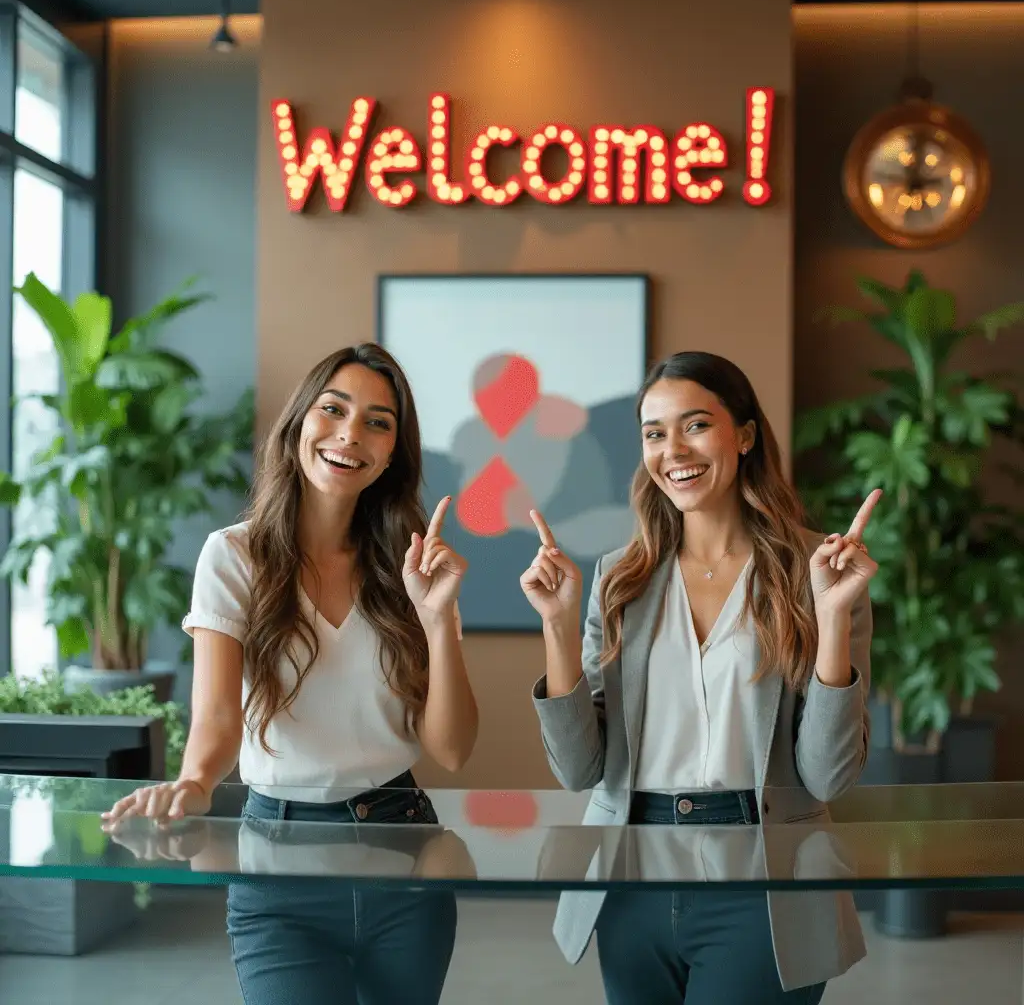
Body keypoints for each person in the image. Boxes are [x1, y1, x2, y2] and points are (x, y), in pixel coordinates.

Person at [102, 342, 478, 1005]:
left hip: (405, 848)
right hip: (276, 861)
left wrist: (439, 619)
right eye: (332, 410)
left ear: (392, 453)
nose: (350, 434)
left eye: (377, 422)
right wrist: (192, 781)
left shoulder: (408, 567)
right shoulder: (233, 556)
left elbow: (450, 748)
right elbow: (218, 717)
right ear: (299, 423)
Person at [521, 350, 878, 1004]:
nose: (673, 450)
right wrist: (557, 625)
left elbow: (827, 776)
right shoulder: (619, 577)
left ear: (743, 435)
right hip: (632, 883)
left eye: (695, 425)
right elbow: (578, 770)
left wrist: (830, 615)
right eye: (655, 433)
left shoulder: (819, 571)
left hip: (766, 883)